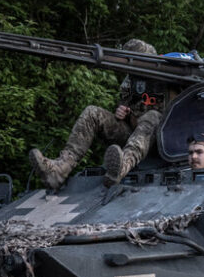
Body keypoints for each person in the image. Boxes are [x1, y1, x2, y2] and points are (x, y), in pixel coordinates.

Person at [28, 38, 166, 189]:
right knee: (92, 113)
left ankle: (121, 168)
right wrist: (123, 111)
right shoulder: (131, 81)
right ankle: (60, 169)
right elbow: (125, 104)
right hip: (133, 136)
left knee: (152, 116)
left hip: (161, 141)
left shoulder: (170, 76)